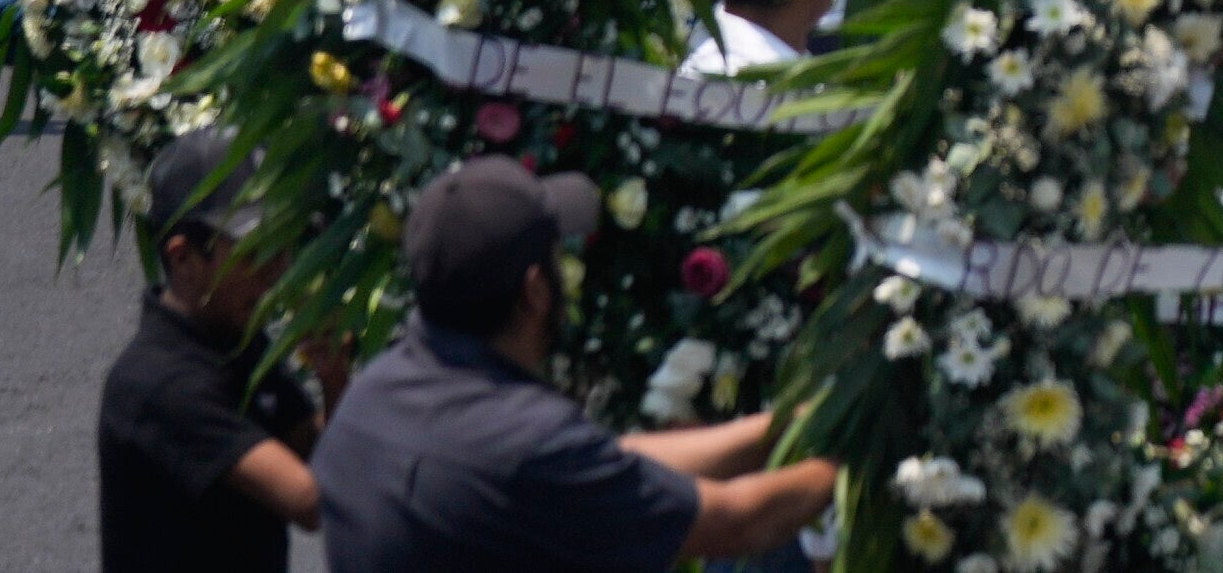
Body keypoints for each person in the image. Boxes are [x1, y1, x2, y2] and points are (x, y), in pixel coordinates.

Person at [310, 158, 834, 571]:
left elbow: (609, 462)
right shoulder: (524, 443)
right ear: (536, 291)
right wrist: (851, 443)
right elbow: (735, 523)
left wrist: (783, 427)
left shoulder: (373, 396)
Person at [100, 126, 323, 571]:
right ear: (182, 257)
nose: (277, 271)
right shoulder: (162, 383)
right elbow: (312, 500)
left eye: (283, 248)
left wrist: (335, 377)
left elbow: (317, 448)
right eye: (256, 251)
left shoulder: (233, 336)